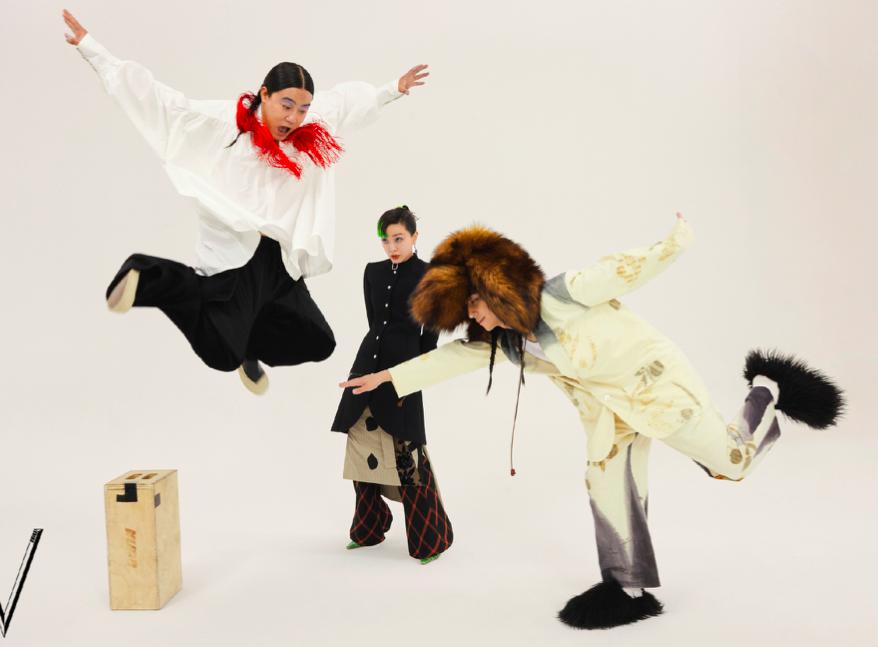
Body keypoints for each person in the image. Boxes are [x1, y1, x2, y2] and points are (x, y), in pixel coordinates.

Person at [340, 214, 844, 628]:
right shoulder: (506, 341)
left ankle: (767, 388)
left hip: (657, 388)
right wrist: (387, 376)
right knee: (607, 484)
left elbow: (625, 269)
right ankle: (628, 589)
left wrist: (676, 240)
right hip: (610, 416)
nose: (475, 319)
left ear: (498, 288)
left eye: (475, 306)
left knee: (731, 464)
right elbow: (453, 358)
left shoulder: (563, 294)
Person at [63, 9, 429, 394]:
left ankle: (250, 347)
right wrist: (92, 49)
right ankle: (151, 275)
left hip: (281, 263)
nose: (295, 117)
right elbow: (159, 102)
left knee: (318, 341)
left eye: (303, 108)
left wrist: (394, 89)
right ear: (264, 94)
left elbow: (347, 103)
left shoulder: (311, 123)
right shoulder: (226, 124)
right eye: (286, 105)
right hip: (241, 258)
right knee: (221, 353)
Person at [332, 206, 451, 565]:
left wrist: (415, 374)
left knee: (408, 455)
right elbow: (375, 323)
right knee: (361, 441)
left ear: (415, 236)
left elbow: (430, 338)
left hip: (404, 371)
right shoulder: (373, 272)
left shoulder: (431, 276)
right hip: (366, 363)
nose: (392, 247)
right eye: (386, 241)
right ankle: (369, 528)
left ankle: (430, 538)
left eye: (399, 239)